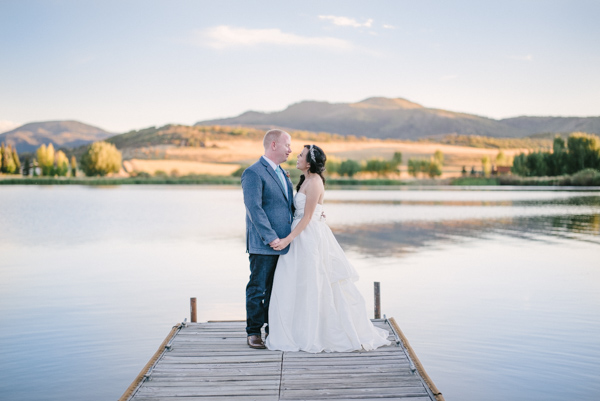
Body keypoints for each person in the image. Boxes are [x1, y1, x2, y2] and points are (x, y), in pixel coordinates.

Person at [265, 145, 391, 353]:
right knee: (296, 282)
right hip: (301, 233)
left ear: (309, 162)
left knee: (314, 282)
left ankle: (314, 332)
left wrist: (287, 239)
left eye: (300, 155)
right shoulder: (306, 180)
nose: (296, 157)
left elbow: (307, 217)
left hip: (307, 237)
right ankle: (296, 328)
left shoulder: (314, 182)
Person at [241, 129, 294, 349]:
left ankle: (274, 330)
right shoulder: (253, 172)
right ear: (273, 145)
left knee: (277, 289)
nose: (291, 150)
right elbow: (254, 208)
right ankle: (253, 332)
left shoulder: (282, 173)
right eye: (287, 145)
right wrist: (271, 237)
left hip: (285, 244)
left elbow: (287, 206)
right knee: (258, 288)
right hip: (264, 244)